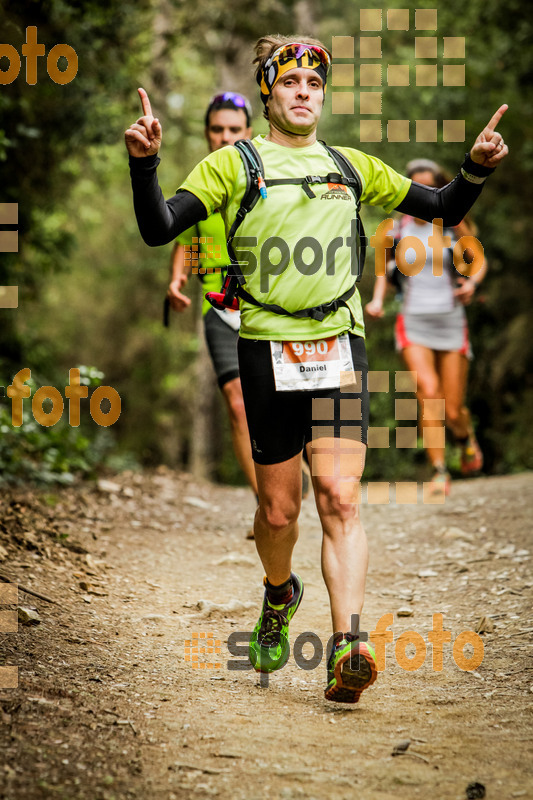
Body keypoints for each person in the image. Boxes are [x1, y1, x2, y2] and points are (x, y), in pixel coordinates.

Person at [125, 35, 508, 703]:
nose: (304, 90)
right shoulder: (232, 165)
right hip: (265, 350)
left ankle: (347, 647)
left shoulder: (350, 165)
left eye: (315, 82)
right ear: (268, 92)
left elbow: (443, 207)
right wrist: (145, 163)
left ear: (322, 95)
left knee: (340, 496)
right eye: (291, 80)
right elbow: (160, 228)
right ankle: (279, 593)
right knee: (277, 512)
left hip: (337, 348)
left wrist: (474, 168)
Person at [365, 159, 486, 495]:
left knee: (453, 407)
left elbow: (478, 260)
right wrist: (377, 301)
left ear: (438, 189)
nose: (423, 195)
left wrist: (472, 283)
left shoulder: (451, 225)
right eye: (416, 188)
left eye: (430, 189)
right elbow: (383, 269)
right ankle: (439, 471)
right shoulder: (395, 229)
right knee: (428, 393)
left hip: (450, 320)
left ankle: (464, 436)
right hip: (413, 320)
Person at [166, 92, 259, 506]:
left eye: (234, 130)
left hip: (268, 308)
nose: (225, 138)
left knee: (280, 407)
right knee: (238, 407)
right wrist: (176, 280)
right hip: (217, 307)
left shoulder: (265, 179)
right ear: (207, 134)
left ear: (249, 133)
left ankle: (295, 477)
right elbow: (185, 241)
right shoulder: (198, 186)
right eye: (218, 130)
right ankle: (267, 505)